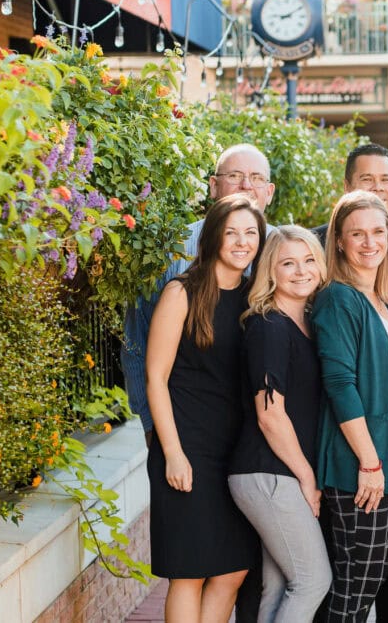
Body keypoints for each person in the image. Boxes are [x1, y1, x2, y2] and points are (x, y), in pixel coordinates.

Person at [145, 195, 266, 622]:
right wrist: (173, 453)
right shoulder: (183, 292)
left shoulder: (256, 298)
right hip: (187, 446)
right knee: (189, 572)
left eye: (250, 233)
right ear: (213, 235)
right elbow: (155, 378)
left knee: (233, 569)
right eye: (232, 232)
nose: (241, 242)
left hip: (235, 452)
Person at [124, 143, 276, 447]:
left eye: (256, 178)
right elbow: (137, 341)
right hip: (186, 426)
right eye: (234, 175)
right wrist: (151, 423)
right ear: (213, 186)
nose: (246, 185)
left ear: (269, 192)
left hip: (259, 437)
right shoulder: (173, 250)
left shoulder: (282, 252)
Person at [310, 190, 388, 622]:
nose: (370, 242)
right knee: (355, 584)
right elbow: (340, 384)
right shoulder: (338, 298)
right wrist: (370, 462)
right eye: (357, 234)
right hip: (359, 462)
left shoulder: (379, 299)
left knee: (368, 579)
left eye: (378, 231)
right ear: (339, 241)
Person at [228, 226, 332, 622]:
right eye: (288, 263)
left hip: (275, 473)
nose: (301, 271)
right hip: (268, 473)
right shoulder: (268, 326)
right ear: (271, 271)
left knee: (278, 588)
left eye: (308, 260)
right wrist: (307, 476)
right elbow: (270, 414)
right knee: (311, 580)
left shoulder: (305, 324)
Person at [314, 143, 388, 271]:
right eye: (367, 179)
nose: (378, 187)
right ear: (347, 187)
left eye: (385, 179)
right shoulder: (315, 243)